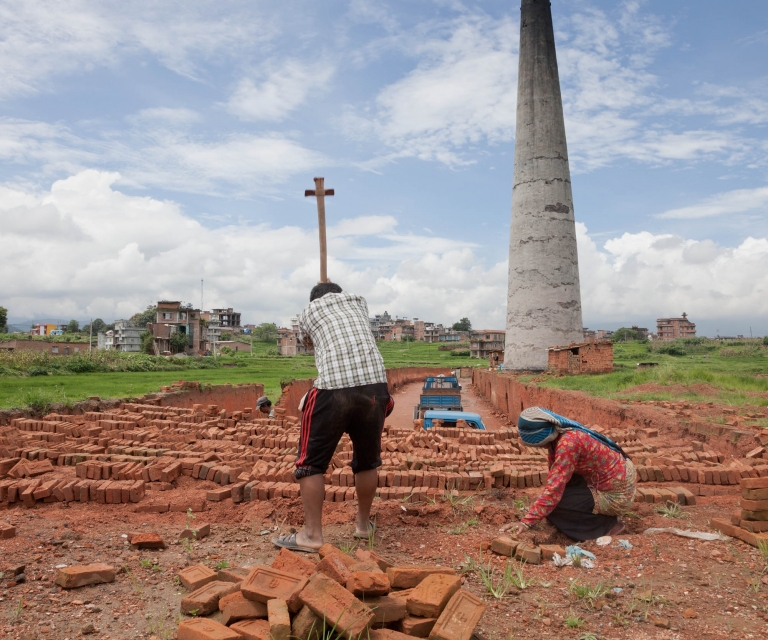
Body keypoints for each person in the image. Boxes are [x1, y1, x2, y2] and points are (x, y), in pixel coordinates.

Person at [273, 282, 393, 552]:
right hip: (375, 389)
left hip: (332, 390)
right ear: (340, 294)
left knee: (311, 463)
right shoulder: (359, 302)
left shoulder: (308, 311)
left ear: (314, 299)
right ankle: (363, 526)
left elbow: (307, 342)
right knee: (367, 461)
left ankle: (313, 536)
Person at [501, 406, 636, 541]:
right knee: (558, 497)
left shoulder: (568, 443)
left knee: (556, 507)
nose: (538, 447)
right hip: (611, 477)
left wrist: (526, 522)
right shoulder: (559, 437)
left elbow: (554, 490)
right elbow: (555, 477)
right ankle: (597, 514)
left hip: (618, 492)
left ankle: (607, 527)